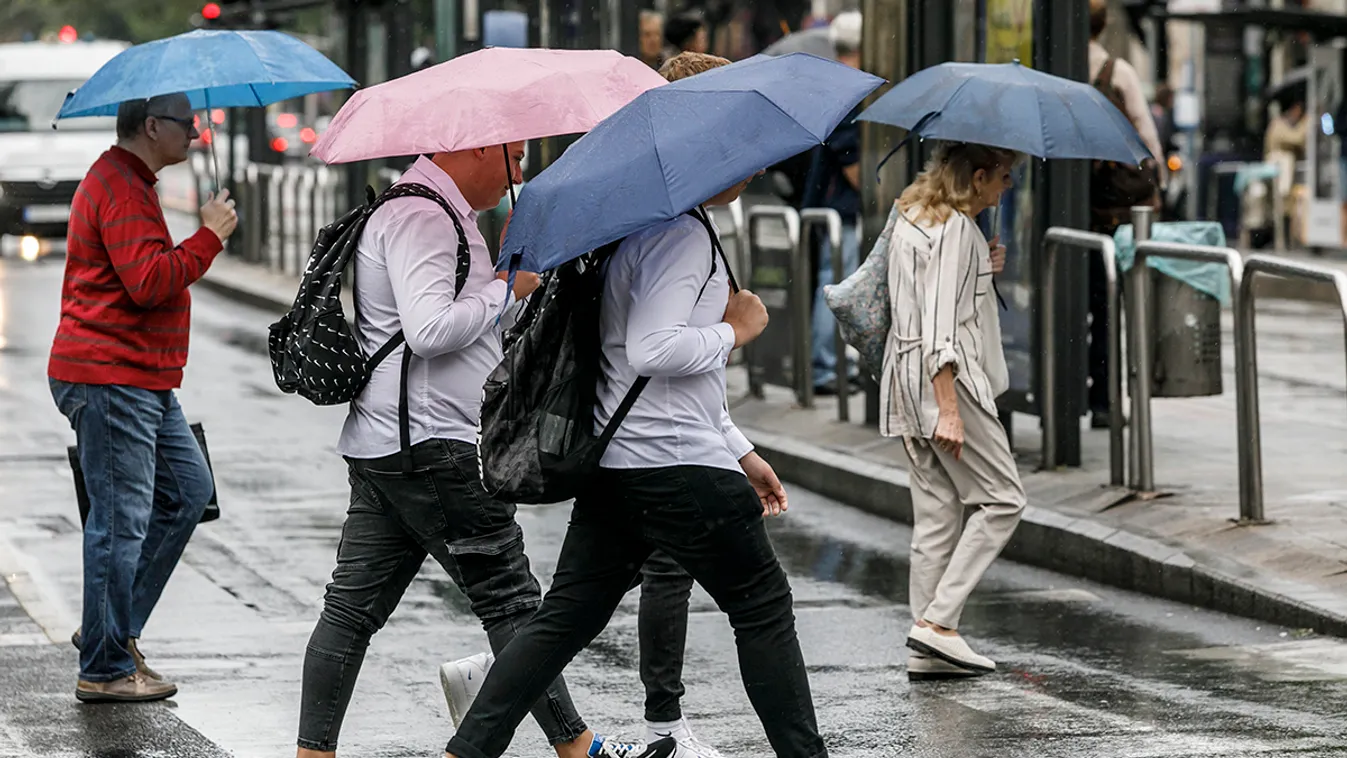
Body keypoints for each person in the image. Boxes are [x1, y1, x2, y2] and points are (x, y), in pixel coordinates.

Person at [442, 59, 826, 758]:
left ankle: (466, 752)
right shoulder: (681, 236)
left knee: (561, 620)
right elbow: (655, 352)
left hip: (619, 469)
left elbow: (641, 373)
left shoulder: (630, 234)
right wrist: (735, 329)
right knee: (763, 612)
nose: (754, 163)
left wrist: (739, 448)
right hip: (677, 468)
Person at [295, 145, 649, 758]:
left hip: (397, 442)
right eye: (515, 158)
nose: (519, 173)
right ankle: (577, 748)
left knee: (351, 613)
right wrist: (508, 288)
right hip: (434, 445)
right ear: (478, 145)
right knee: (511, 601)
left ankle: (312, 755)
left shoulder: (432, 209)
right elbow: (430, 331)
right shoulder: (423, 215)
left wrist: (505, 281)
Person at [50, 93, 238, 703]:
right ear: (152, 126)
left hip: (141, 377)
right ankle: (103, 667)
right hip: (111, 376)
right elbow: (149, 282)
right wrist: (207, 238)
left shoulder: (132, 181)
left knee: (189, 491)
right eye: (188, 125)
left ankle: (110, 631)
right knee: (120, 522)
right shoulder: (121, 187)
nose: (197, 135)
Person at [880, 142, 1027, 678]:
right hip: (949, 379)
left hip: (901, 380)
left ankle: (927, 652)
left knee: (938, 515)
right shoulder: (957, 230)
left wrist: (983, 271)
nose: (1006, 187)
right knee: (1005, 499)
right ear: (981, 176)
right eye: (1005, 176)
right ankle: (938, 625)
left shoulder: (911, 216)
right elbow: (943, 324)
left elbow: (921, 296)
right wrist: (950, 409)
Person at [1087, 0, 1165, 428]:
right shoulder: (1116, 71)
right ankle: (1101, 398)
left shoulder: (1051, 67)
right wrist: (1159, 189)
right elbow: (1147, 138)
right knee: (1104, 307)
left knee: (1067, 301)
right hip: (1108, 214)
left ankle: (1060, 389)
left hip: (1065, 214)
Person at [801, 10, 863, 396]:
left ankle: (833, 362)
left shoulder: (834, 83)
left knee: (836, 280)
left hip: (831, 203)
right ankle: (825, 366)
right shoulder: (847, 87)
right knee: (835, 282)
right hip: (840, 207)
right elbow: (847, 153)